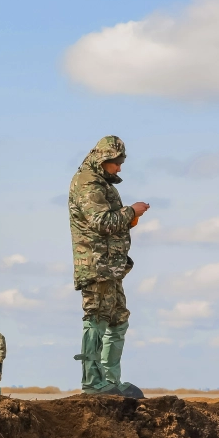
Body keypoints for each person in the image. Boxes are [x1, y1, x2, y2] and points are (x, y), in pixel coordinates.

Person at [68, 136, 149, 398]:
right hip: (96, 265)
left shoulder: (100, 182)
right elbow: (101, 221)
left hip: (111, 267)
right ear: (104, 160)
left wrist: (128, 219)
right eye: (117, 162)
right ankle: (93, 382)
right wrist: (132, 212)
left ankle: (110, 380)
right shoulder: (88, 182)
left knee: (118, 319)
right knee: (97, 318)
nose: (120, 168)